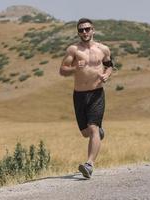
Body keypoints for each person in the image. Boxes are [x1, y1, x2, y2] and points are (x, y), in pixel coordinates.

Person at [59, 18, 114, 178]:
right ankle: (97, 133)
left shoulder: (103, 49)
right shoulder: (73, 50)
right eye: (81, 30)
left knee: (93, 128)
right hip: (79, 95)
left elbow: (110, 64)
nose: (85, 32)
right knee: (85, 133)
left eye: (87, 29)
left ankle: (89, 164)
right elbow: (62, 70)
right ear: (78, 32)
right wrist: (75, 68)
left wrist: (106, 75)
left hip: (97, 93)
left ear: (93, 30)